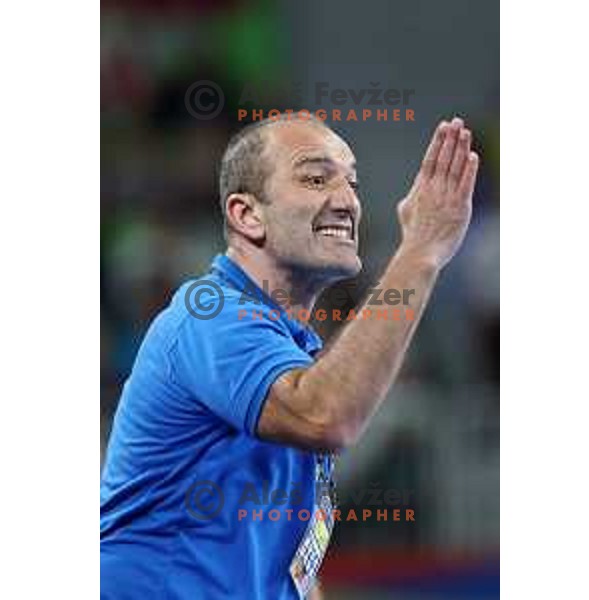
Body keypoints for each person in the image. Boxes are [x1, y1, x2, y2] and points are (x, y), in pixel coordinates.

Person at [100, 114, 479, 599]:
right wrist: (421, 250)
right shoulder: (207, 315)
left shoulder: (295, 355)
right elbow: (327, 415)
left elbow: (291, 567)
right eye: (316, 178)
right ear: (246, 215)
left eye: (352, 182)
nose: (347, 201)